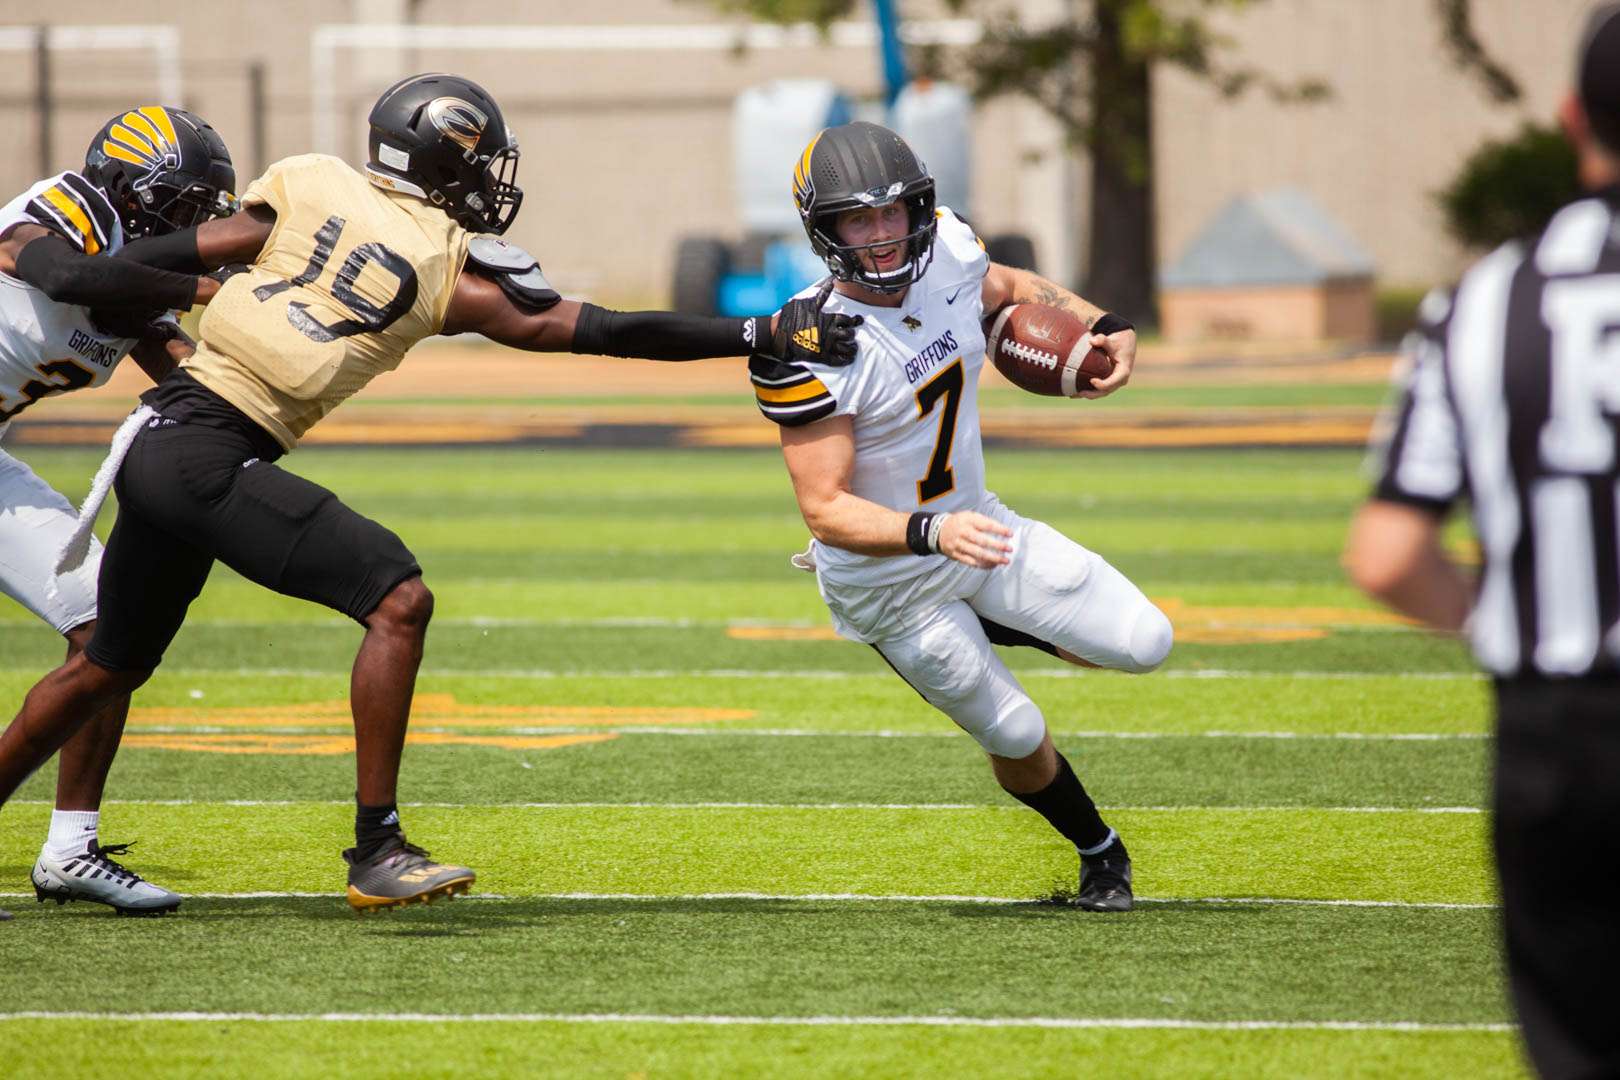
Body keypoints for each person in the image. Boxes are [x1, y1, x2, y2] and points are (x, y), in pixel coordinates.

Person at [0, 72, 861, 914]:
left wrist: (166, 292)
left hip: (159, 443)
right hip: (202, 452)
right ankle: (377, 848)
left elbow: (144, 259)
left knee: (109, 664)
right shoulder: (446, 264)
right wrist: (757, 331)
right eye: (482, 163)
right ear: (448, 162)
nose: (492, 182)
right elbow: (597, 330)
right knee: (397, 598)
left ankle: (83, 846)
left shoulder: (309, 184)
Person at [754, 121, 1172, 911]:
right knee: (1014, 732)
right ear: (825, 230)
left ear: (920, 208)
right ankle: (1100, 850)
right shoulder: (808, 342)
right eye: (857, 219)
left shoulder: (944, 245)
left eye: (893, 213)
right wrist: (929, 532)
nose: (882, 235)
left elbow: (1009, 287)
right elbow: (825, 510)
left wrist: (1102, 323)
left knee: (1149, 642)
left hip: (975, 521)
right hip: (889, 580)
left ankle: (1006, 622)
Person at [1344, 7, 1620, 1074]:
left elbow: (1386, 554)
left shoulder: (1483, 300)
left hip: (1553, 730)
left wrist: (1505, 618)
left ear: (1569, 119)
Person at [0, 106, 237, 917]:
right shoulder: (61, 210)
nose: (189, 226)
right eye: (177, 205)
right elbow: (70, 280)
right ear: (123, 186)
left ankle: (70, 847)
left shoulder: (133, 273)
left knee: (110, 627)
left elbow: (179, 366)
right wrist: (206, 284)